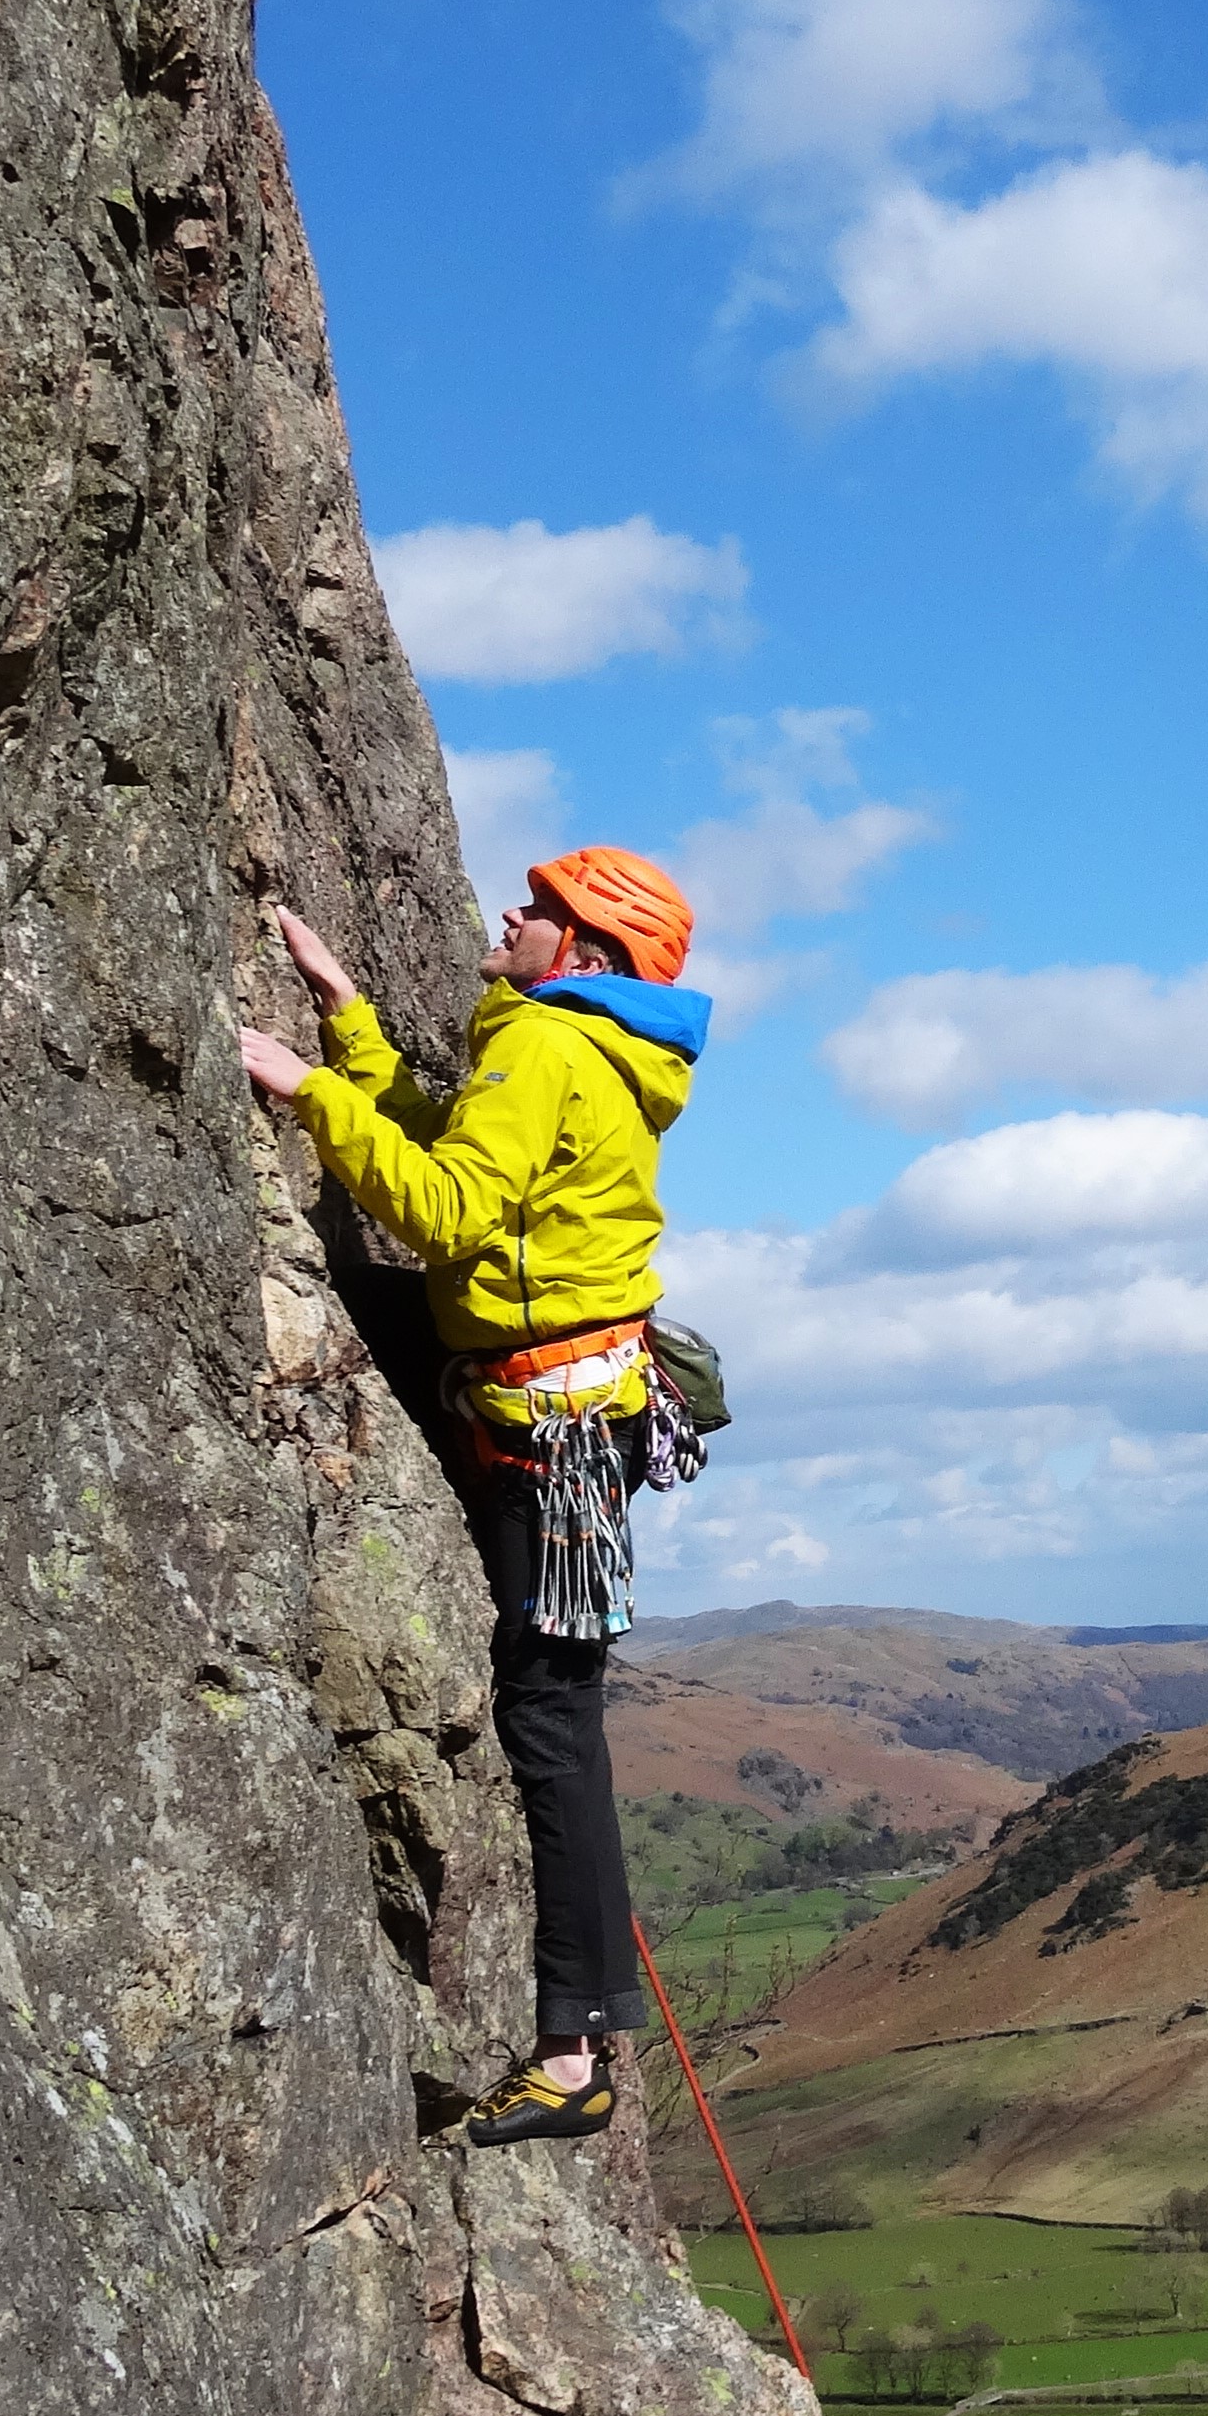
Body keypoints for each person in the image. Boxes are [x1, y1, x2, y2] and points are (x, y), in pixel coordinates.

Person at [235, 851, 708, 2145]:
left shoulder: (550, 1049)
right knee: (558, 1712)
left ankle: (571, 2057)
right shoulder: (564, 1042)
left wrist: (314, 1093)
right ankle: (577, 2037)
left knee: (551, 1721)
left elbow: (444, 1210)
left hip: (553, 1438)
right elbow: (462, 1151)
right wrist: (348, 1021)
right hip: (558, 1407)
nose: (511, 915)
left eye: (538, 910)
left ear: (588, 955)